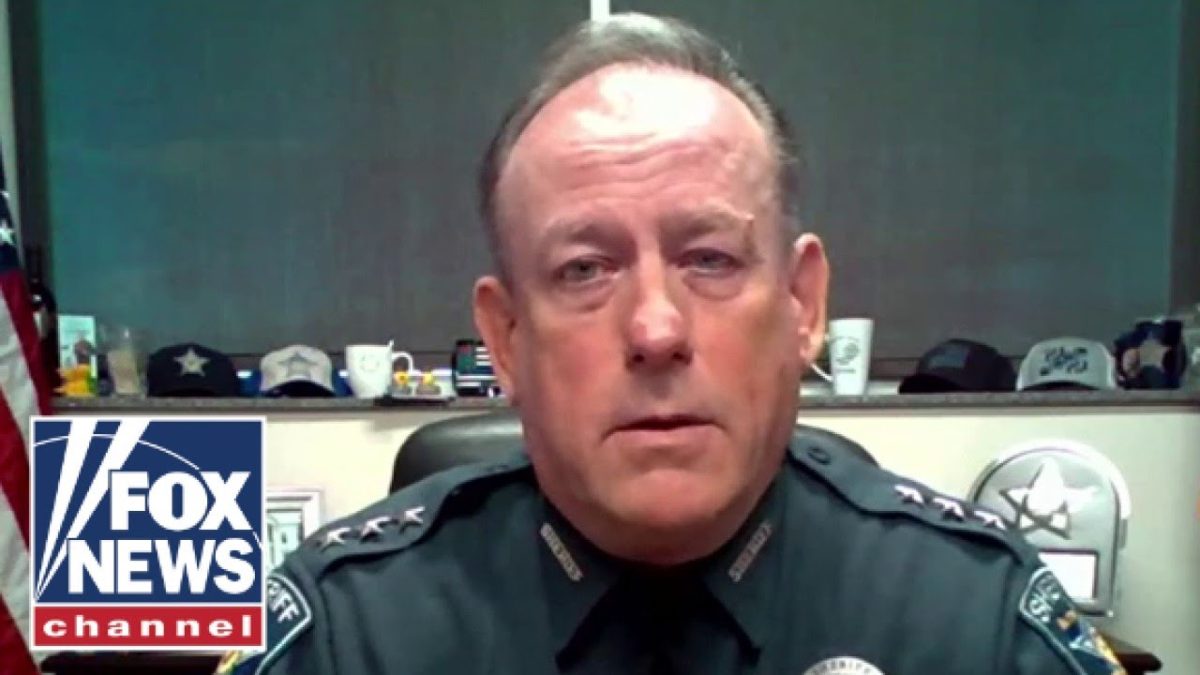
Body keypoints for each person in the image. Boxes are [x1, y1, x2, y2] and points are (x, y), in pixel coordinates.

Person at [221, 13, 1126, 675]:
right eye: (585, 269)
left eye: (710, 258)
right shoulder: (346, 632)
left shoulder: (974, 616)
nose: (656, 329)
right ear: (506, 338)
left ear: (802, 304)